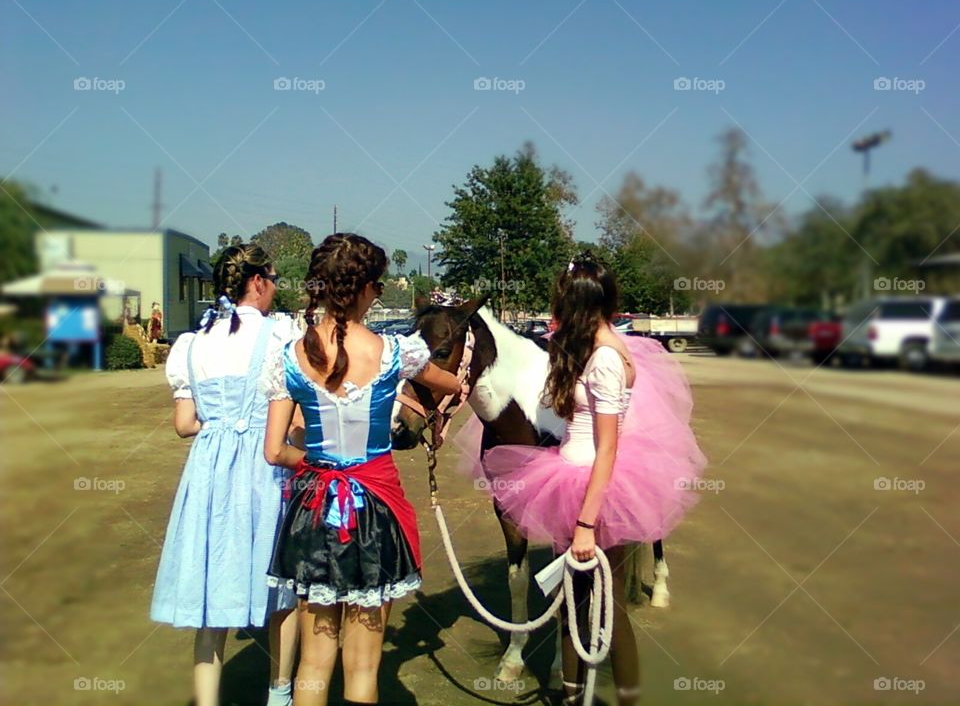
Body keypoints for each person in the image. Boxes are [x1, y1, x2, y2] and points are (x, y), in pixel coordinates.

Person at [473, 253, 706, 705]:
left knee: (609, 612)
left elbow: (609, 448)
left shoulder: (605, 361)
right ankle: (571, 697)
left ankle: (626, 699)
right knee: (572, 611)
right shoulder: (588, 352)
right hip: (570, 478)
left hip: (591, 488)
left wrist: (586, 522)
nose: (554, 318)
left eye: (560, 306)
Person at [263, 233, 462, 706]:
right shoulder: (396, 352)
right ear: (369, 289)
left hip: (313, 512)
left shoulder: (288, 357)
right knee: (364, 666)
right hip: (377, 512)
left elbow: (275, 451)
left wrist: (321, 466)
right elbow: (453, 382)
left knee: (313, 660)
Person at [151, 244, 300, 706]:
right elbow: (293, 422)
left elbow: (183, 426)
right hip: (263, 467)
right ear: (257, 282)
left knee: (209, 584)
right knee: (282, 591)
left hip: (210, 471)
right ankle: (280, 693)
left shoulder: (192, 344)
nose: (276, 288)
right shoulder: (281, 336)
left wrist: (220, 424)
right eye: (273, 278)